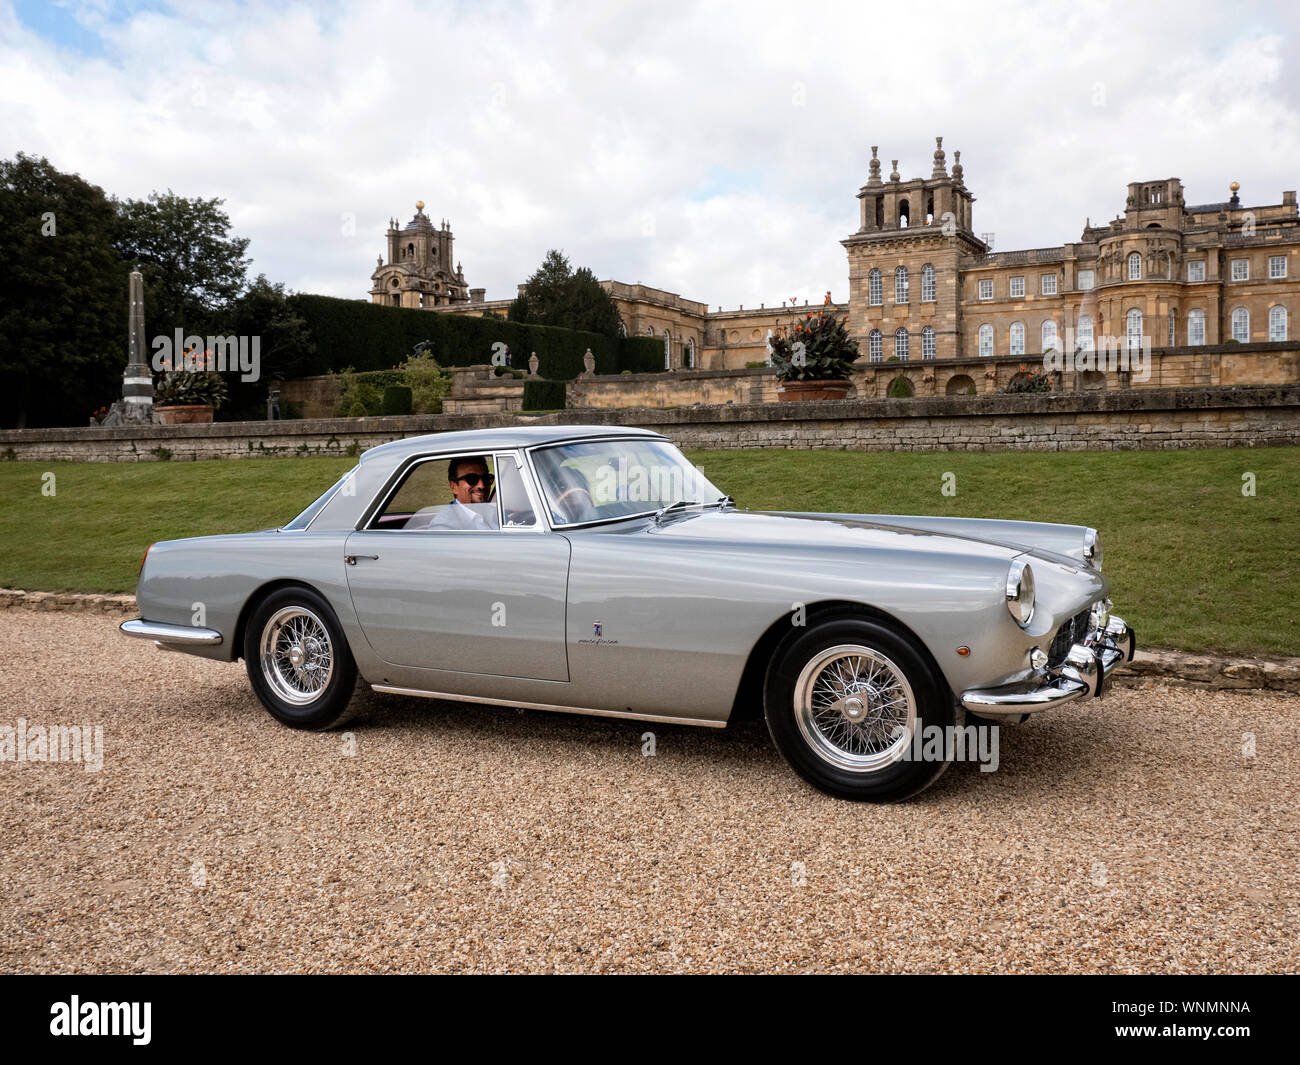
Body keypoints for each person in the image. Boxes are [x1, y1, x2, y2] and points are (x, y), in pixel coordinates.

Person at [420, 455, 500, 530]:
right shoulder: (444, 528)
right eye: (471, 479)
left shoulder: (497, 512)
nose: (481, 485)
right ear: (454, 487)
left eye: (486, 478)